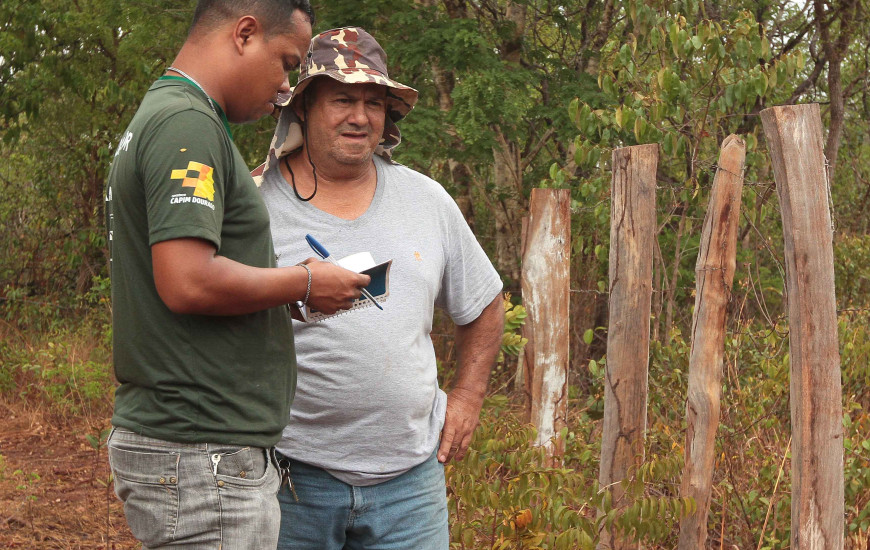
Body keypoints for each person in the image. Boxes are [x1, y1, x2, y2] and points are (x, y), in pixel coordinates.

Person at [103, 3, 371, 548]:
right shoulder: (187, 125)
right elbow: (188, 281)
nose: (283, 87)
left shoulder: (172, 116)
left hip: (197, 452)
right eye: (286, 62)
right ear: (245, 33)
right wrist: (304, 280)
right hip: (202, 456)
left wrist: (282, 297)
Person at [256, 27, 505, 549]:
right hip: (288, 477)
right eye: (343, 99)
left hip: (410, 484)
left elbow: (482, 303)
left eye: (375, 102)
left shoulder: (425, 199)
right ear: (302, 106)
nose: (361, 117)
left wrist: (466, 398)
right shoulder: (253, 203)